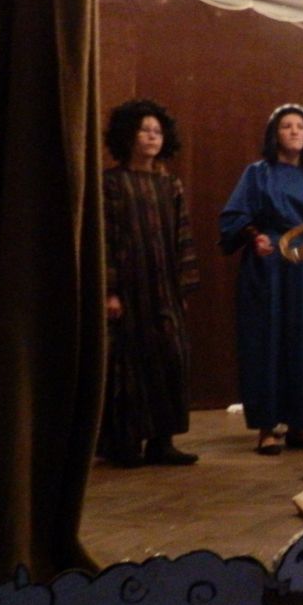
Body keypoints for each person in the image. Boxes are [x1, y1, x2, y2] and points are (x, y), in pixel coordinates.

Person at [218, 104, 303, 454]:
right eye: (287, 126)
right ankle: (267, 427)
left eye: (300, 127)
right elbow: (234, 215)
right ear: (275, 134)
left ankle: (300, 423)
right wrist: (253, 236)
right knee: (267, 340)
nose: (294, 132)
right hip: (268, 266)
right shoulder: (257, 174)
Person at [100, 99, 200, 467]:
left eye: (157, 131)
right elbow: (105, 238)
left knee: (170, 357)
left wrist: (184, 286)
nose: (152, 137)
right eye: (145, 130)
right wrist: (110, 290)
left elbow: (182, 235)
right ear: (128, 135)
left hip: (165, 288)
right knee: (129, 364)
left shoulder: (169, 184)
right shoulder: (111, 183)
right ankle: (126, 443)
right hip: (129, 290)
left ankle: (163, 441)